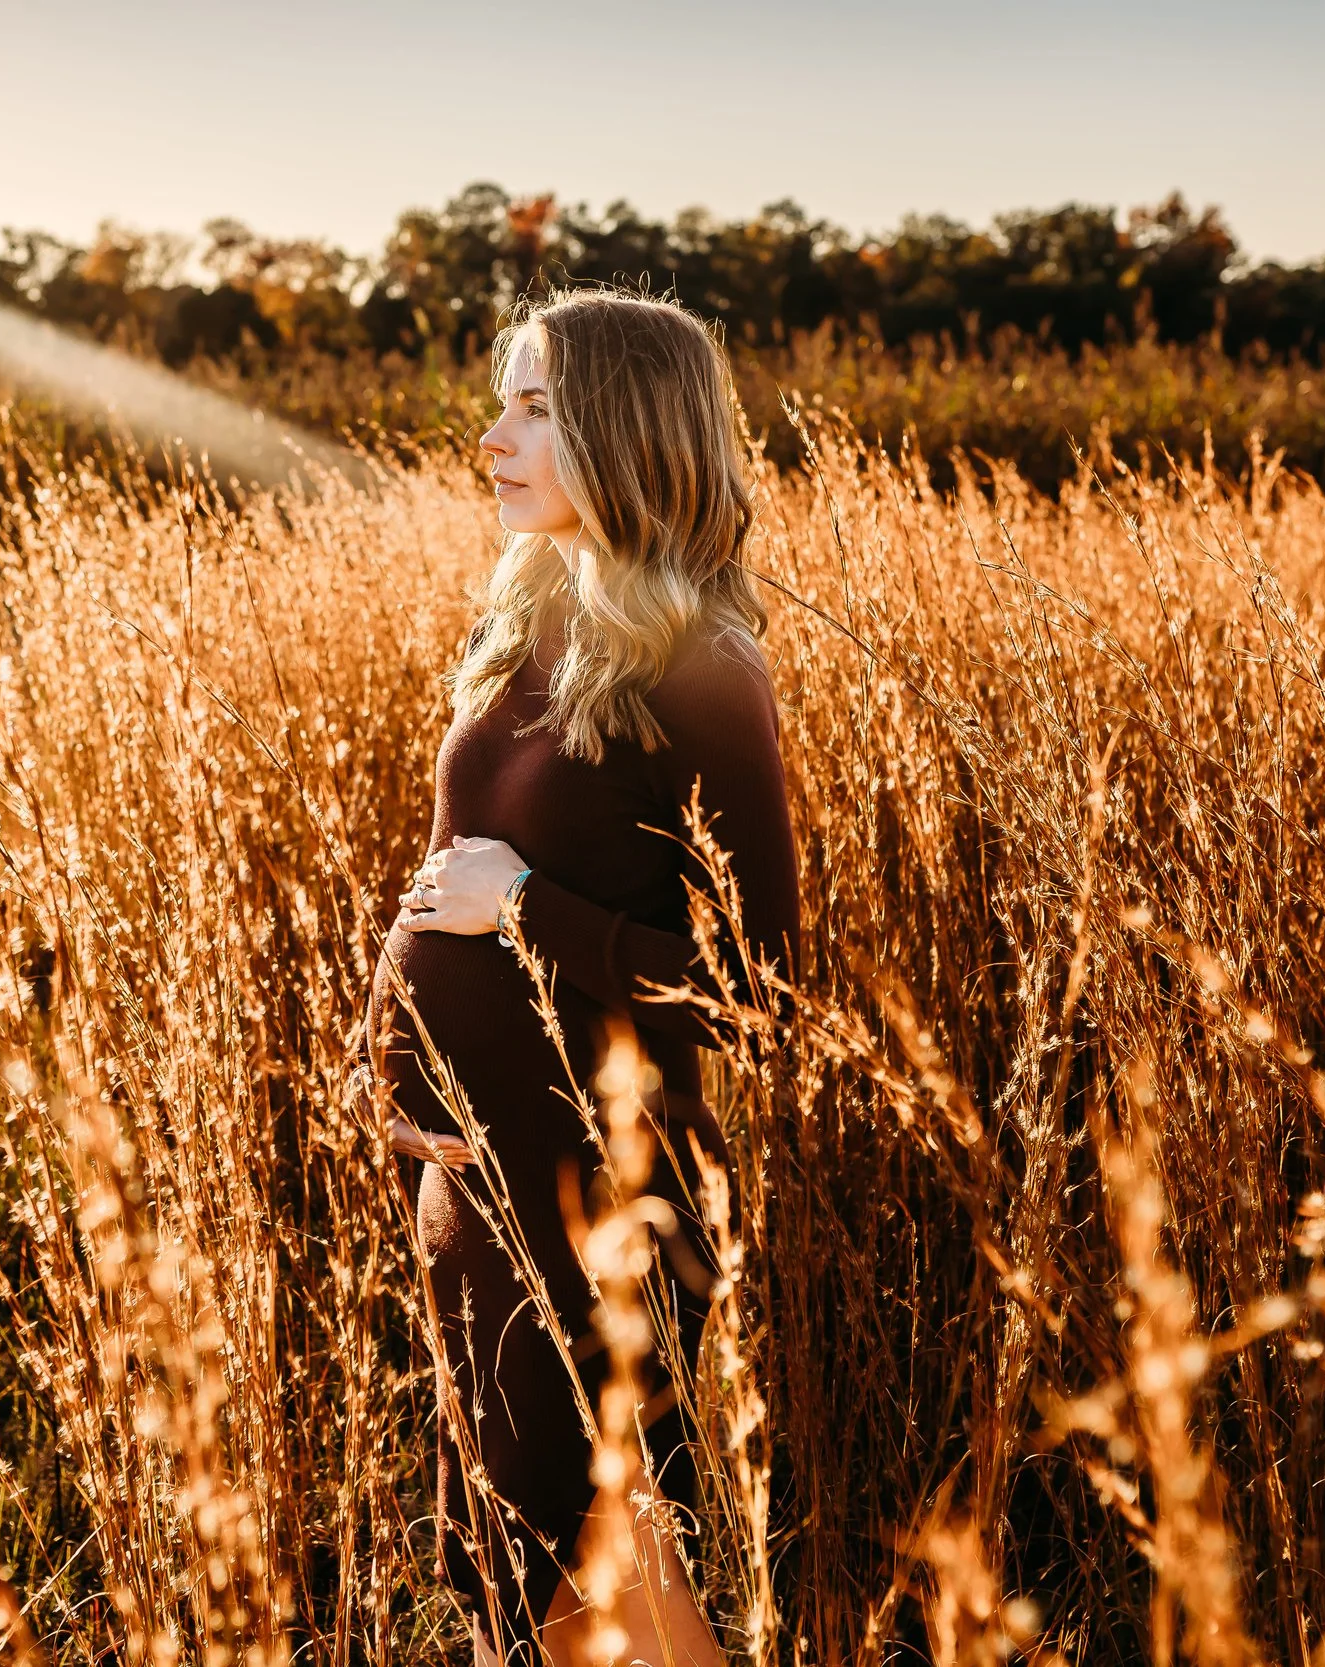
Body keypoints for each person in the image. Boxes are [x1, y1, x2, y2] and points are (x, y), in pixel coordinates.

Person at [365, 289, 800, 1666]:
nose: (492, 436)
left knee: (586, 1587)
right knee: (510, 1579)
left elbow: (761, 990)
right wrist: (383, 1052)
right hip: (471, 1198)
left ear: (625, 429)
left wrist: (533, 911)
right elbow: (443, 877)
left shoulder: (705, 672)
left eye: (534, 406)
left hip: (602, 1209)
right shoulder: (520, 636)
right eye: (501, 400)